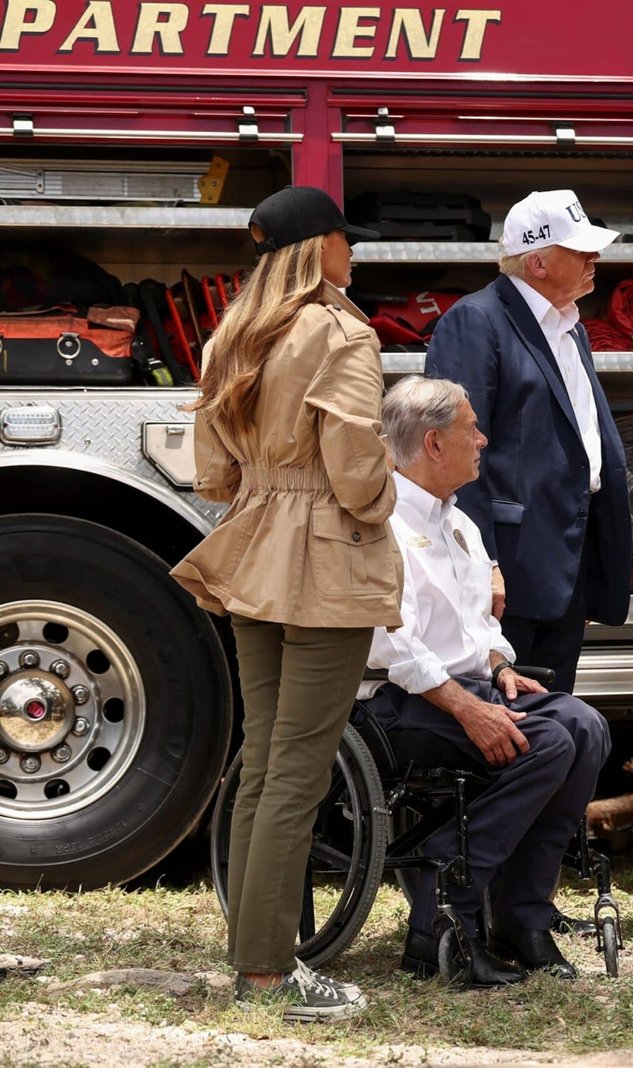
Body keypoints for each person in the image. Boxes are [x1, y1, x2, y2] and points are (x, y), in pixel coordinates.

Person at [170, 186, 398, 1019]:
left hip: (255, 546)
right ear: (317, 248)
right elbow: (356, 469)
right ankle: (267, 972)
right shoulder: (341, 334)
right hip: (326, 557)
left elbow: (213, 472)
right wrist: (381, 503)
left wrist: (271, 485)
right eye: (345, 238)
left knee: (266, 764)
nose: (354, 252)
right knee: (297, 769)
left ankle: (257, 960)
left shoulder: (232, 335)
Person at [362, 375, 612, 984]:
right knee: (545, 742)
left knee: (585, 727)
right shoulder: (383, 522)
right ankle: (441, 914)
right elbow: (391, 644)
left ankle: (522, 917)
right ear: (433, 443)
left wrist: (501, 668)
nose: (483, 439)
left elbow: (479, 628)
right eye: (470, 429)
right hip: (398, 700)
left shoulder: (460, 523)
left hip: (463, 688)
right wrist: (467, 708)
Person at [423, 189, 633, 695]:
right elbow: (454, 456)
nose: (594, 257)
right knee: (505, 717)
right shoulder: (477, 321)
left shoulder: (569, 326)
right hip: (510, 575)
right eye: (579, 250)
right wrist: (483, 565)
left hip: (564, 567)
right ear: (537, 263)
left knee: (553, 715)